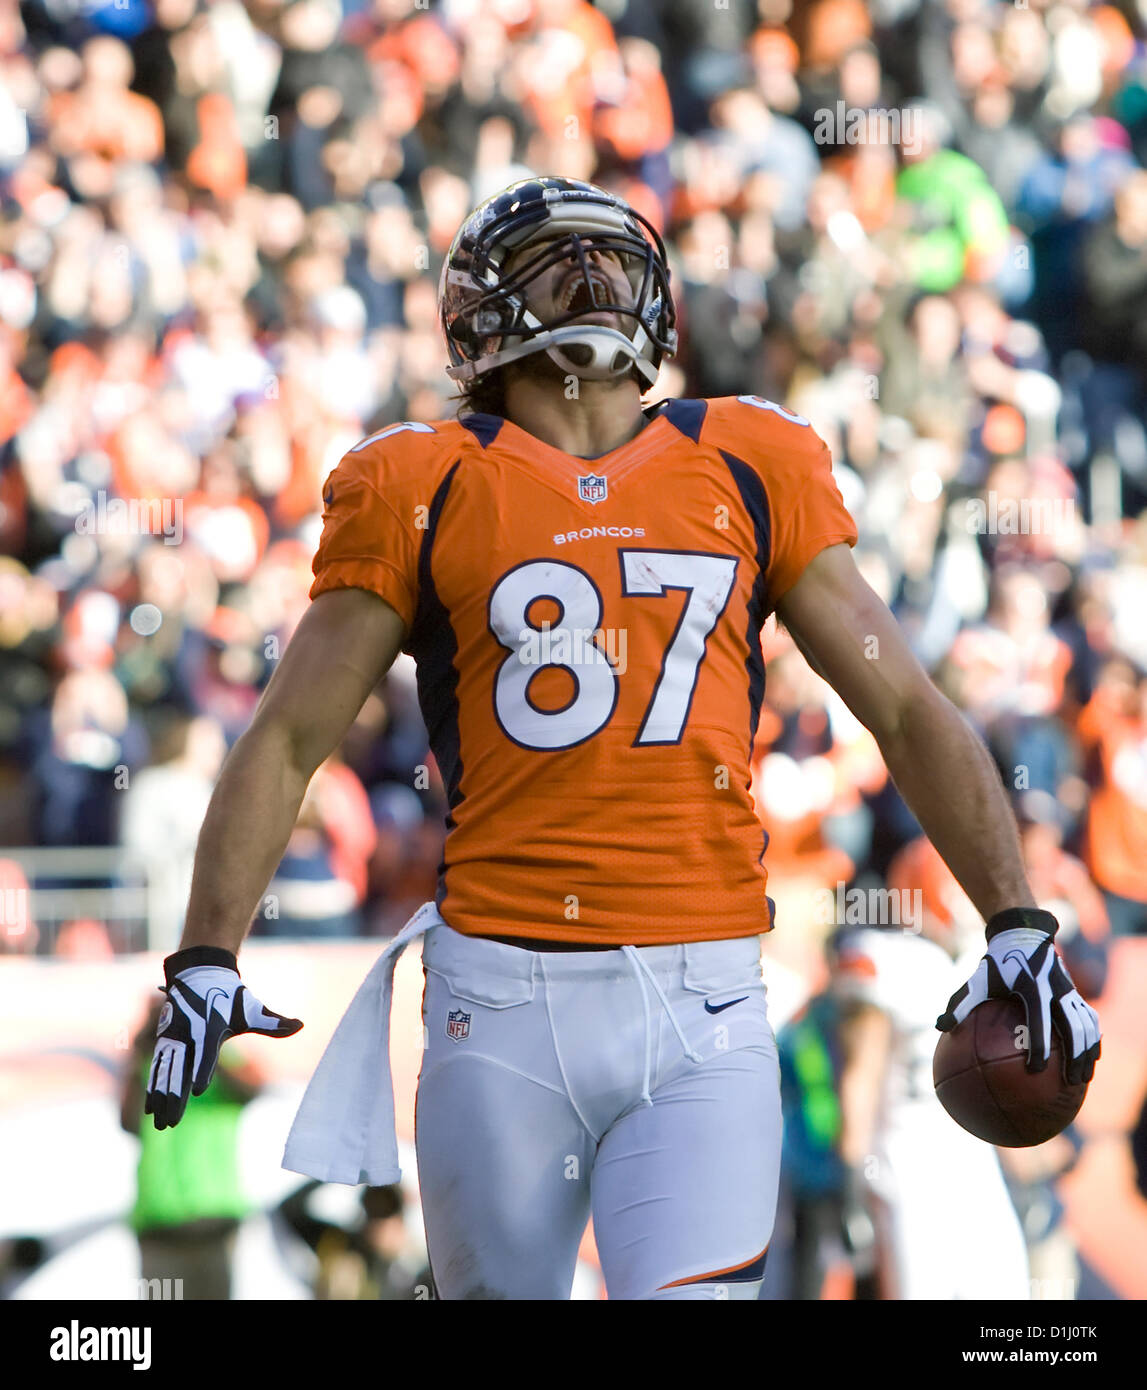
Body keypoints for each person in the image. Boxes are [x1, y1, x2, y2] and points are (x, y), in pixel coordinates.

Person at [141, 177, 1101, 1301]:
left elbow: (904, 707)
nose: (592, 279)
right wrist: (206, 953)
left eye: (608, 256)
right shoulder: (417, 481)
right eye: (556, 259)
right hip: (496, 996)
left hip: (701, 999)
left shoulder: (748, 460)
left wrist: (1014, 917)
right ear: (477, 310)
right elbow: (288, 734)